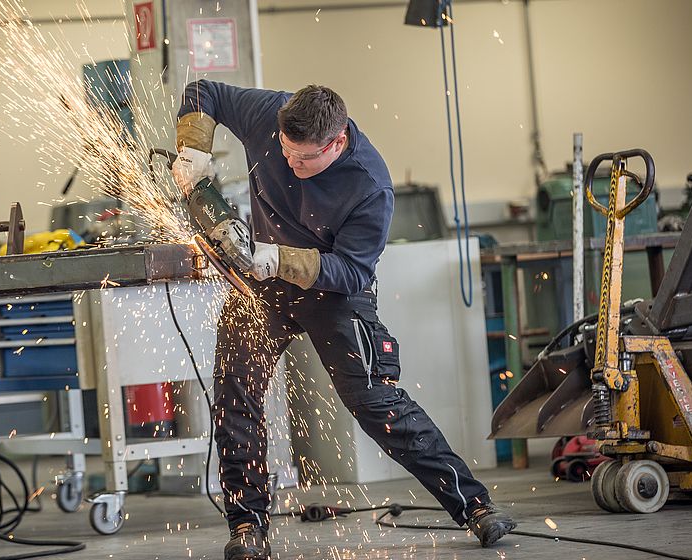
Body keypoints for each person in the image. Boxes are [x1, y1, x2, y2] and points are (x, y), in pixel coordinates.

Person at [171, 81, 515, 560]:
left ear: (337, 143)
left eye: (305, 159)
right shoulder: (269, 113)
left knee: (377, 404)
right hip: (260, 285)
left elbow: (352, 271)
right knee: (236, 394)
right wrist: (193, 152)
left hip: (332, 293)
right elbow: (202, 90)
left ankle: (474, 505)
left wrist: (277, 256)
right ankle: (247, 526)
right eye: (286, 151)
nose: (291, 163)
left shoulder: (370, 185)